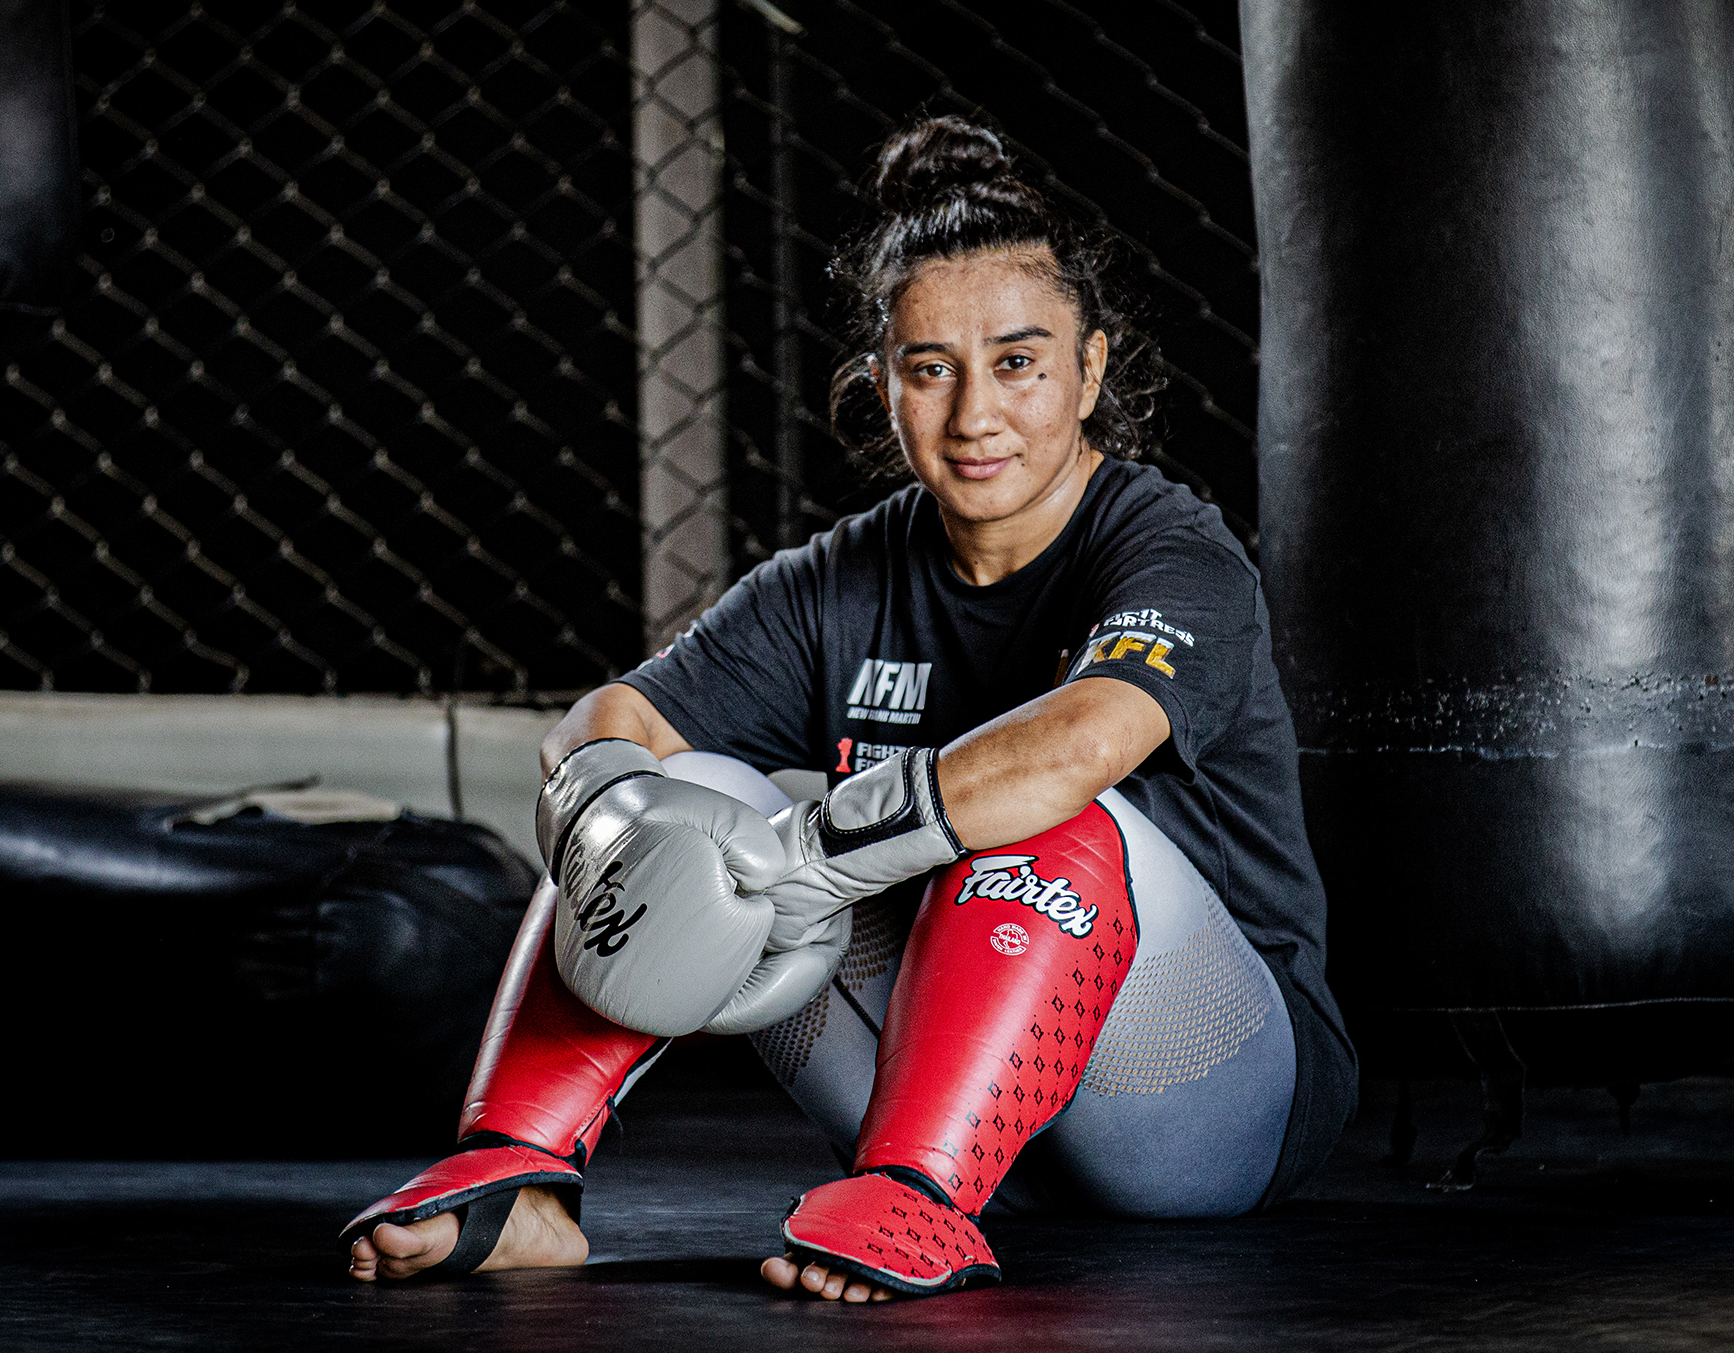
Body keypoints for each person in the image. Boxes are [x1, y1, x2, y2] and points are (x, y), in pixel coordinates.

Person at [342, 115, 1356, 1302]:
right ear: (881, 387)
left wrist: (816, 845)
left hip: (1203, 1102)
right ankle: (520, 1167)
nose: (973, 414)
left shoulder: (1168, 548)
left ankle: (917, 1191)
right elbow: (607, 720)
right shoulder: (840, 576)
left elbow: (1081, 741)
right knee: (675, 798)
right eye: (929, 369)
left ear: (1089, 370)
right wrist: (613, 817)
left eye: (1017, 363)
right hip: (973, 1117)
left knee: (1041, 805)